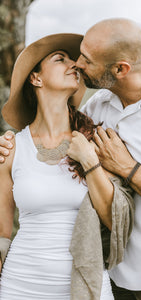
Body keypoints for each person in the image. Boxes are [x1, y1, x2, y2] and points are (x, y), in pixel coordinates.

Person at [1, 18, 141, 299]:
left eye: (86, 60)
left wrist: (123, 166)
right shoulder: (98, 108)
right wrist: (11, 145)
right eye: (71, 56)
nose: (78, 64)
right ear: (36, 79)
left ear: (120, 69)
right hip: (110, 273)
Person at [0, 32, 125, 300]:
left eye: (74, 60)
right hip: (20, 285)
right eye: (60, 59)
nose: (74, 65)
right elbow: (2, 232)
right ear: (36, 78)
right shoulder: (11, 148)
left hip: (86, 285)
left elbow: (114, 221)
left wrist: (90, 161)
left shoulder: (98, 141)